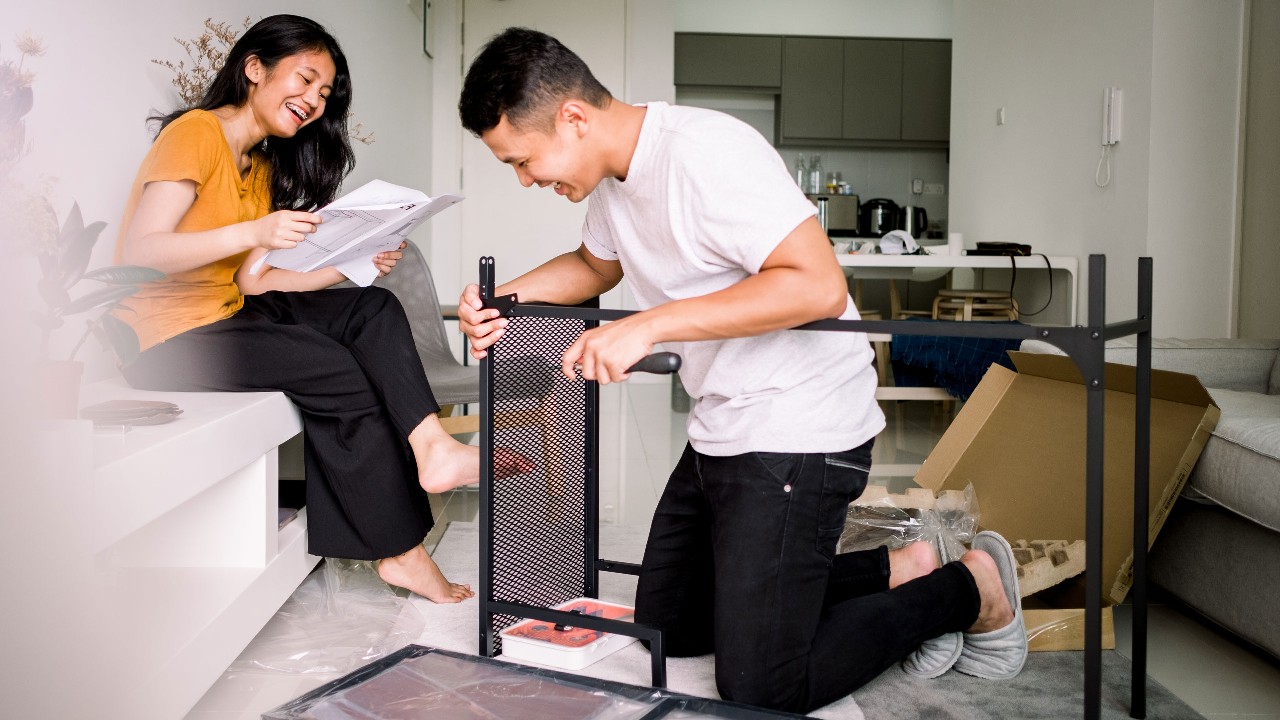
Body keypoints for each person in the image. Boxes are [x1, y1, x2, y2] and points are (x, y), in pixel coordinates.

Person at [456, 27, 1027, 713]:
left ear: (573, 119)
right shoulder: (612, 185)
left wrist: (650, 324)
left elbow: (816, 285)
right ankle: (899, 566)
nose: (525, 180)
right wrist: (503, 299)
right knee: (671, 622)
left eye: (522, 160)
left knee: (762, 685)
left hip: (801, 424)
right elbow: (593, 267)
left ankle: (971, 589)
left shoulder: (704, 153)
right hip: (725, 420)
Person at [113, 14, 524, 603]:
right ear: (254, 69)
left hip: (229, 313)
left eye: (324, 94)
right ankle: (401, 554)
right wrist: (256, 229)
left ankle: (434, 447)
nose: (312, 101)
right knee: (337, 371)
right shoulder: (195, 135)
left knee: (374, 309)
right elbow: (142, 251)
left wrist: (350, 265)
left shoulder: (258, 164)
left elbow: (255, 284)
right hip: (165, 339)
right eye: (304, 81)